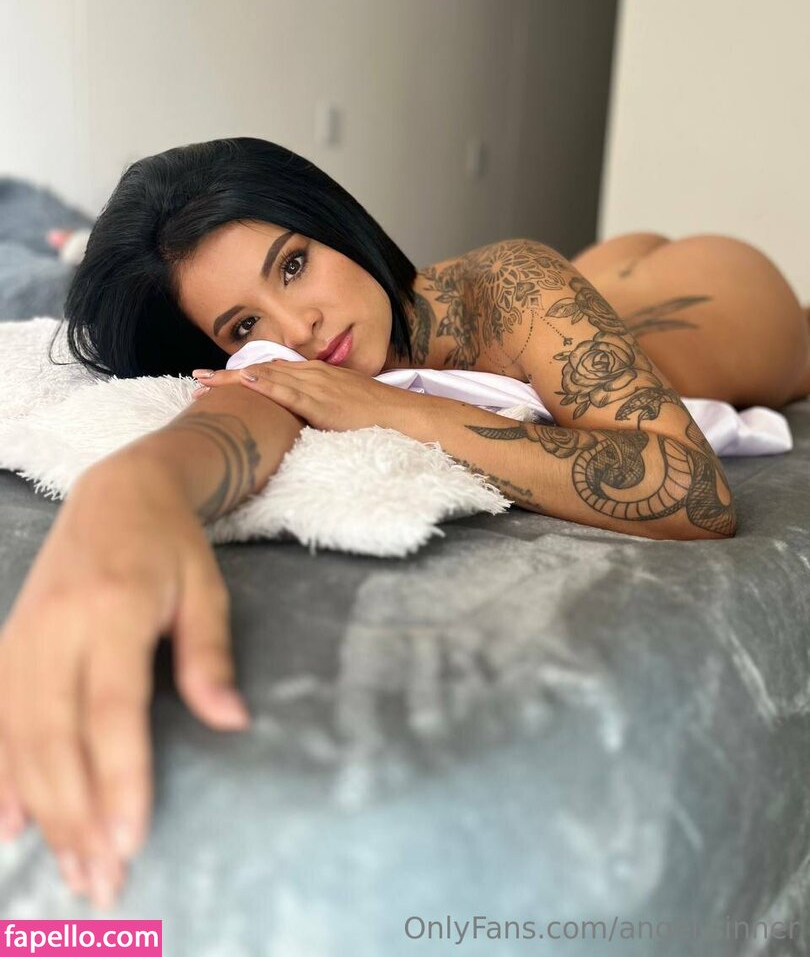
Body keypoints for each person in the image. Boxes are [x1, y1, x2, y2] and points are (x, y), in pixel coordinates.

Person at [0, 137, 807, 910]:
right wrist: (129, 495)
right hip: (599, 285)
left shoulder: (510, 283)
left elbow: (694, 492)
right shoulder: (284, 361)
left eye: (293, 264)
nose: (299, 329)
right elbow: (226, 426)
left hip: (731, 295)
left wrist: (398, 410)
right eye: (244, 326)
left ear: (332, 221)